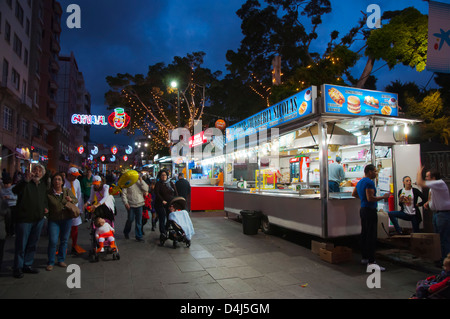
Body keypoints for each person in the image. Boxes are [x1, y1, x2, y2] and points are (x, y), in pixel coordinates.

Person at [12, 164, 49, 278]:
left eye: (39, 171)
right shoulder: (25, 183)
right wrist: (25, 181)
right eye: (35, 170)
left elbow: (44, 198)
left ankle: (27, 264)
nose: (37, 172)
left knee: (33, 243)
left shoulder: (43, 185)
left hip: (38, 218)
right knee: (21, 244)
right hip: (24, 219)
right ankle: (18, 267)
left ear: (42, 174)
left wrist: (45, 207)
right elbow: (15, 190)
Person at [352, 164, 390, 271]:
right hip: (369, 210)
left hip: (363, 210)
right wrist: (383, 197)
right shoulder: (369, 182)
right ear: (369, 172)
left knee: (364, 233)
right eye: (375, 171)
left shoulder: (360, 182)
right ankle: (372, 261)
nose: (376, 173)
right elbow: (370, 198)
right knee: (371, 236)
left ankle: (364, 258)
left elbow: (354, 194)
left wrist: (363, 198)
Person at [417, 167, 450, 264]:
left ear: (433, 177)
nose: (426, 178)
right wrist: (428, 202)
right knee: (438, 238)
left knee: (444, 238)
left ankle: (446, 261)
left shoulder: (439, 183)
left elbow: (420, 183)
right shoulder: (433, 187)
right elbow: (433, 198)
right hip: (437, 213)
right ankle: (441, 259)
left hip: (443, 214)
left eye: (427, 176)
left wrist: (419, 172)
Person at [46, 173, 78, 271]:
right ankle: (51, 261)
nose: (57, 182)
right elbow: (45, 204)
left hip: (66, 219)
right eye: (55, 179)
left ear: (62, 182)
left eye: (59, 180)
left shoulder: (67, 191)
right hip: (54, 220)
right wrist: (46, 212)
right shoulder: (49, 193)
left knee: (64, 240)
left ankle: (61, 259)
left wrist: (70, 199)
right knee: (53, 241)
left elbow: (75, 200)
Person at [121, 173, 148, 242]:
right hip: (131, 204)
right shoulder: (127, 183)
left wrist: (141, 180)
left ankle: (139, 236)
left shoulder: (140, 181)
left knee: (139, 221)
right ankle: (126, 232)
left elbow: (146, 188)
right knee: (130, 219)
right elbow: (124, 194)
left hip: (139, 203)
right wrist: (126, 203)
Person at [65, 167, 85, 255]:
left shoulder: (77, 182)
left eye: (76, 176)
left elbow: (79, 195)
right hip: (65, 208)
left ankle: (74, 245)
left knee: (75, 227)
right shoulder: (63, 182)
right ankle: (64, 246)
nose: (75, 178)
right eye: (74, 176)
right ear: (69, 174)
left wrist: (80, 208)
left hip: (75, 207)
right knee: (65, 228)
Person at [154, 169, 178, 240]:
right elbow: (157, 193)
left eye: (165, 175)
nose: (164, 176)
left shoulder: (171, 183)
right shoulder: (158, 184)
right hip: (160, 204)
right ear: (160, 176)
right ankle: (163, 232)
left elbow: (176, 192)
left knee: (170, 218)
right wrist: (162, 200)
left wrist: (176, 200)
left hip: (170, 204)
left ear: (167, 176)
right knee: (162, 217)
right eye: (162, 175)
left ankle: (166, 229)